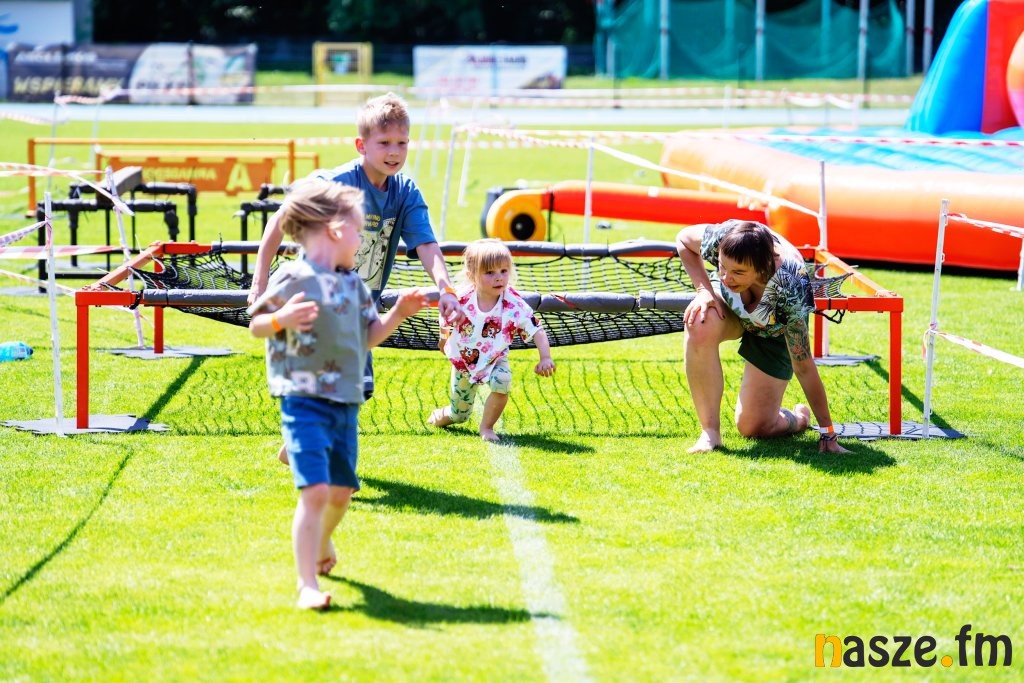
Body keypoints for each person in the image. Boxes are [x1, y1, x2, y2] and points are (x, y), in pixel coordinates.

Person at [247, 91, 462, 463]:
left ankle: (297, 445)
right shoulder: (336, 185)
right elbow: (281, 219)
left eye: (402, 143)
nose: (394, 152)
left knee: (357, 388)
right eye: (384, 143)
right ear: (361, 145)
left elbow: (427, 245)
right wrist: (259, 282)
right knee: (340, 385)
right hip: (317, 300)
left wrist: (445, 288)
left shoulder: (405, 191)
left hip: (360, 304)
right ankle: (319, 462)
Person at [248, 179, 428, 610]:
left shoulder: (354, 286)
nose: (361, 239)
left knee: (341, 493)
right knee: (314, 492)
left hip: (346, 401)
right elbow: (257, 324)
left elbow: (368, 338)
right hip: (302, 398)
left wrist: (398, 313)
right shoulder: (293, 277)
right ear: (334, 230)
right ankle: (306, 585)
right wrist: (282, 318)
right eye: (358, 230)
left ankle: (324, 540)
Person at [675, 219, 850, 455]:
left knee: (753, 427)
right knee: (699, 321)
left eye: (738, 272)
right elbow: (684, 239)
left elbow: (804, 366)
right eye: (722, 267)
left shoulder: (790, 285)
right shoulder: (725, 238)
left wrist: (828, 432)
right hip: (730, 309)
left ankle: (798, 419)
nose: (726, 277)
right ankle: (710, 434)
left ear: (762, 268)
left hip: (774, 332)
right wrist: (703, 290)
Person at [427, 239, 555, 442]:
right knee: (459, 415)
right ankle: (443, 414)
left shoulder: (513, 303)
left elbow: (537, 329)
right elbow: (445, 318)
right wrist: (444, 339)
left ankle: (486, 428)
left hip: (496, 359)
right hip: (464, 360)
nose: (498, 277)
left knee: (502, 381)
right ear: (472, 274)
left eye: (504, 271)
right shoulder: (462, 299)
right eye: (489, 272)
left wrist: (545, 357)